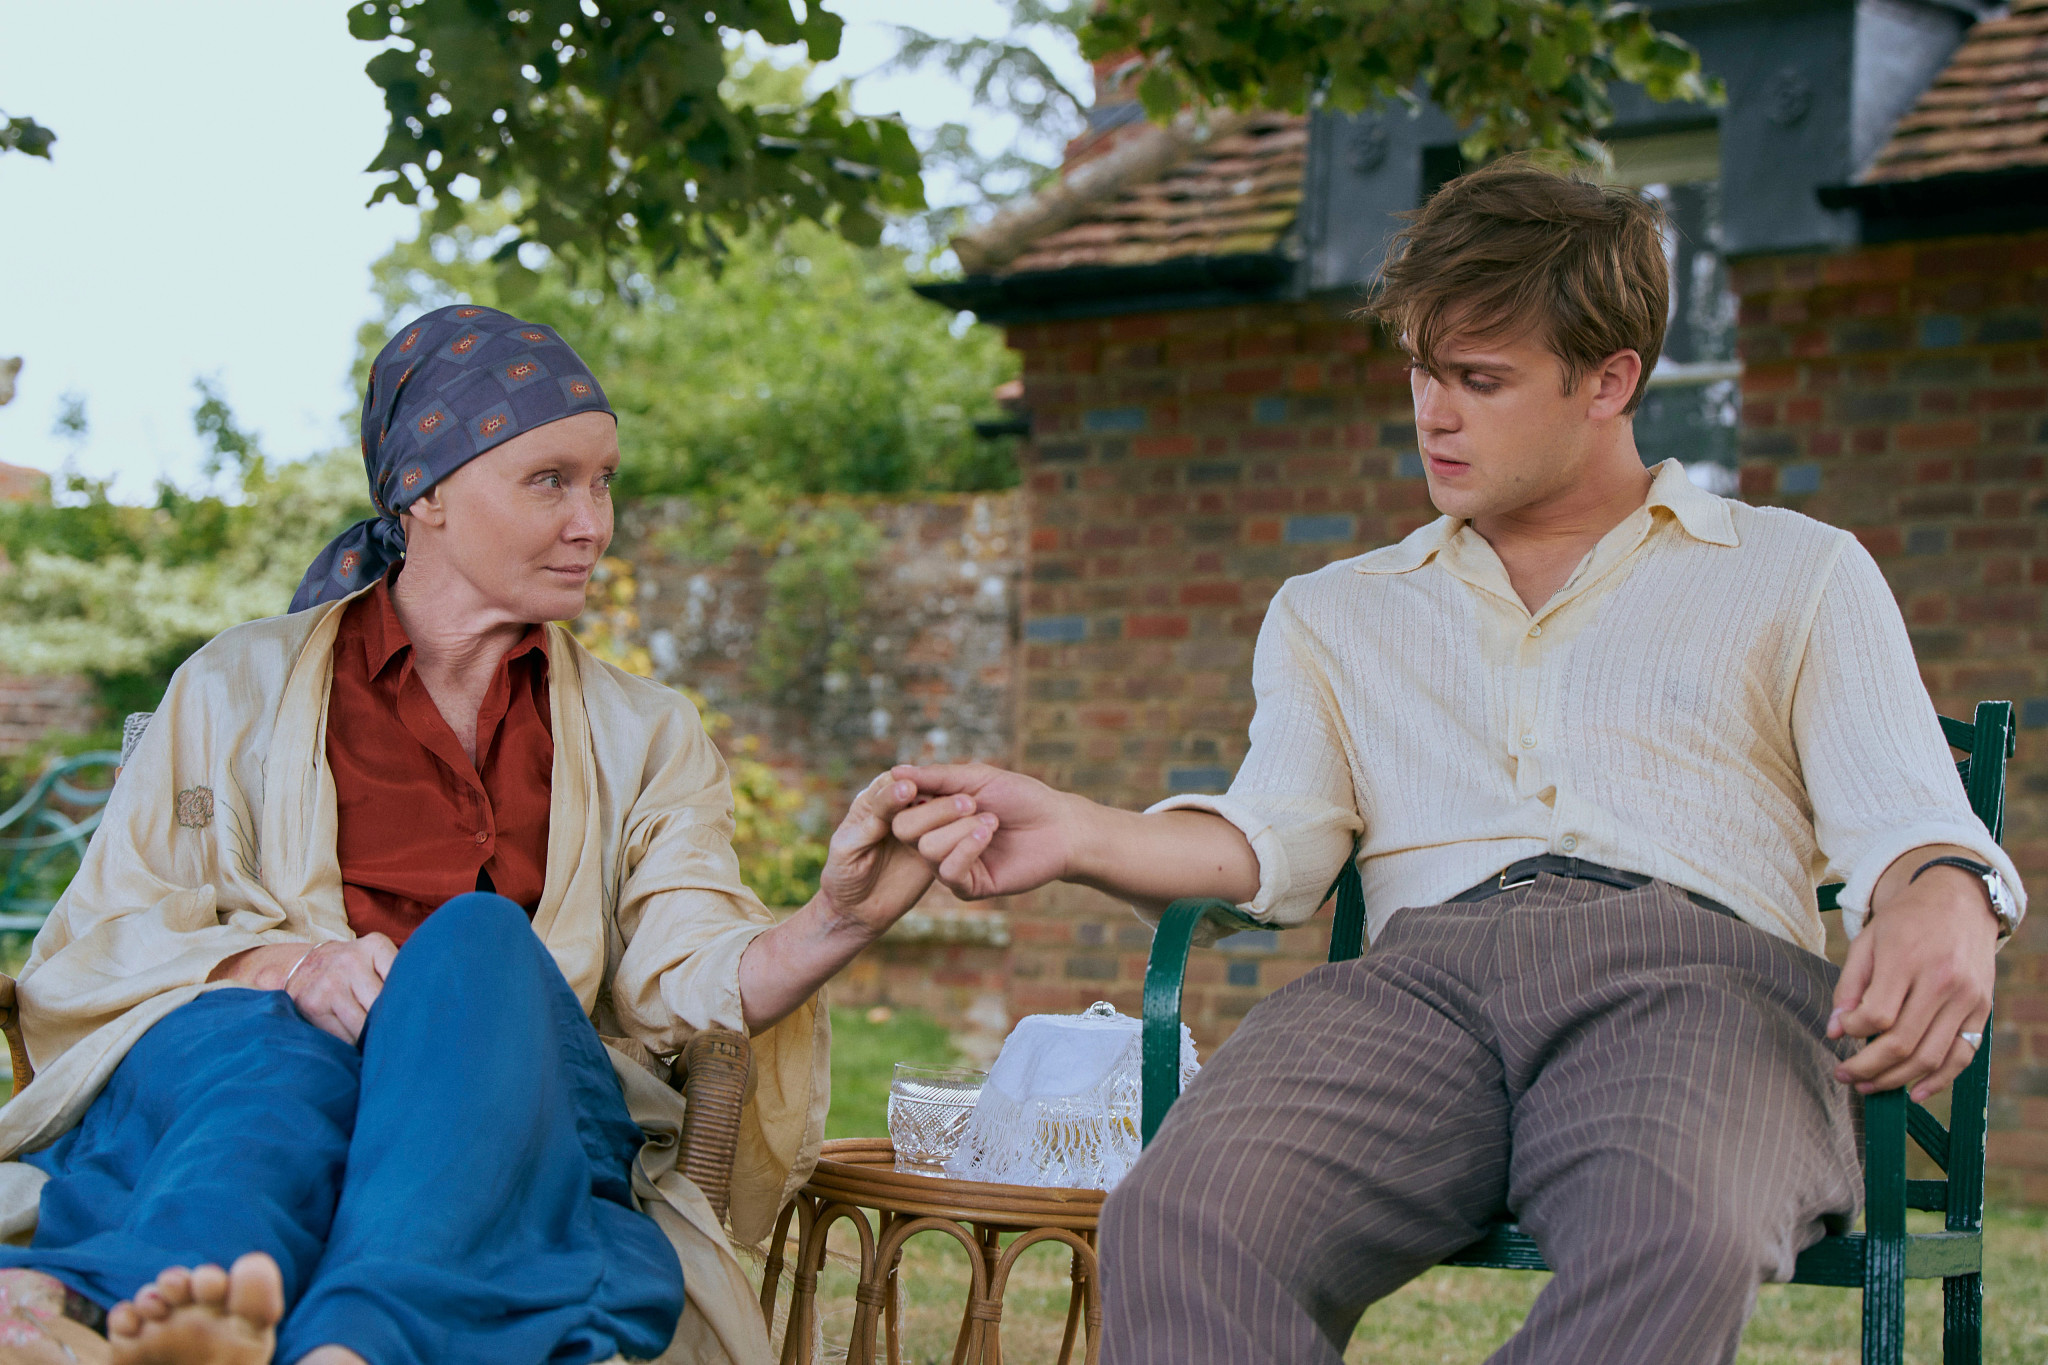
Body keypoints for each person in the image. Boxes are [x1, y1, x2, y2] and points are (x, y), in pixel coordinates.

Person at [888, 159, 2026, 1365]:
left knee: (1672, 1230)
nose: (1432, 412)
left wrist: (1951, 892)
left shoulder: (1792, 572)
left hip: (1698, 987)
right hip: (1412, 991)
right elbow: (1271, 837)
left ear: (1610, 379)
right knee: (1180, 1219)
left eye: (1480, 380)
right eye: (1421, 370)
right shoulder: (1338, 610)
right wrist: (1076, 831)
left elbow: (1907, 814)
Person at [0, 305, 985, 1365]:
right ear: (422, 492)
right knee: (272, 1059)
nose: (593, 523)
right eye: (550, 480)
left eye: (604, 481)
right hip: (248, 1075)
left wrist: (834, 920)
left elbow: (680, 968)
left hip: (507, 1092)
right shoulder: (233, 682)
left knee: (470, 944)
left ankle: (331, 1340)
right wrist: (288, 965)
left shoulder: (646, 733)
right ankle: (167, 1312)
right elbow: (112, 932)